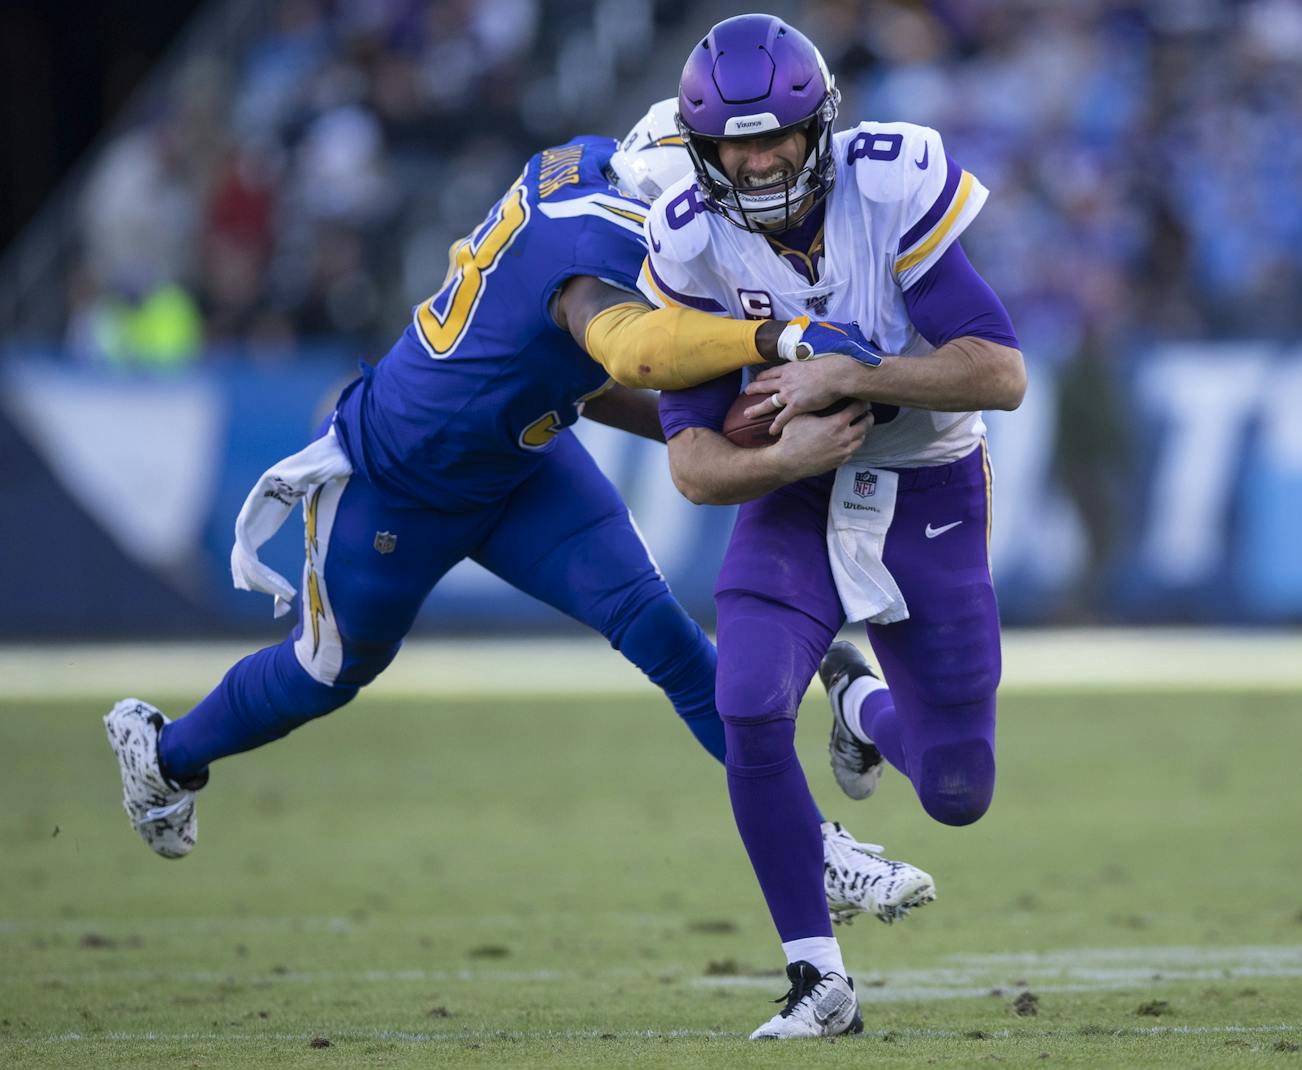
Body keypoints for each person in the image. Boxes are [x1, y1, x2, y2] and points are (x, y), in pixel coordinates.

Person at [103, 100, 937, 928]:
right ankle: (166, 756)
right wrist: (781, 340)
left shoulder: (593, 164)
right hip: (401, 480)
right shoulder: (601, 245)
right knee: (323, 674)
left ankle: (818, 850)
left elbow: (590, 378)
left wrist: (725, 431)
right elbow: (629, 351)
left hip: (523, 460)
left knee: (666, 640)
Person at [647, 16, 1026, 1039]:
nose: (758, 158)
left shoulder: (891, 180)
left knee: (955, 789)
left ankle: (859, 709)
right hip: (799, 489)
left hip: (930, 482)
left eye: (775, 135)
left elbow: (999, 371)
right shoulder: (685, 239)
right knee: (746, 697)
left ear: (820, 125)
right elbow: (689, 461)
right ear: (702, 148)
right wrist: (780, 460)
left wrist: (846, 373)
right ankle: (817, 977)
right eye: (734, 141)